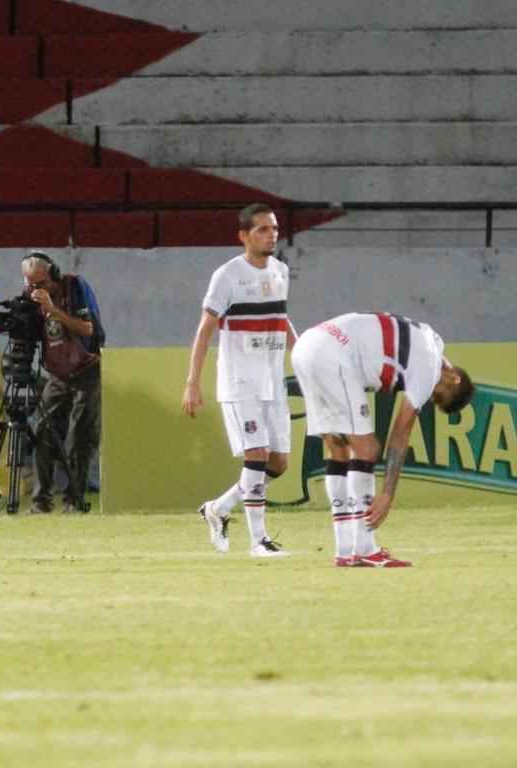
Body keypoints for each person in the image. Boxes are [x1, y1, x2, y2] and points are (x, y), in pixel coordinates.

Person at [291, 313, 474, 567]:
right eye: (440, 397)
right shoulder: (429, 371)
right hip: (333, 354)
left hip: (307, 344)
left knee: (339, 447)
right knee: (368, 449)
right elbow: (400, 434)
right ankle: (365, 548)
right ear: (454, 378)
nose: (433, 398)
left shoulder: (432, 340)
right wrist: (387, 494)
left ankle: (345, 550)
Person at [182, 203, 295, 558]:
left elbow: (280, 319)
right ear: (243, 236)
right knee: (257, 454)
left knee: (278, 463)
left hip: (272, 381)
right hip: (240, 381)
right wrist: (192, 382)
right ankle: (258, 541)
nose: (271, 234)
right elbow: (205, 330)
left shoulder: (280, 271)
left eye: (274, 228)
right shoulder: (227, 276)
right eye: (262, 229)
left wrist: (304, 354)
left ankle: (218, 508)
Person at [21, 251, 105, 515]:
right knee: (43, 432)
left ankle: (74, 500)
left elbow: (88, 329)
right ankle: (40, 501)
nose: (35, 289)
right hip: (57, 373)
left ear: (54, 277)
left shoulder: (75, 287)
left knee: (80, 436)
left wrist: (53, 310)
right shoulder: (31, 297)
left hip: (86, 368)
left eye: (41, 284)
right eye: (30, 284)